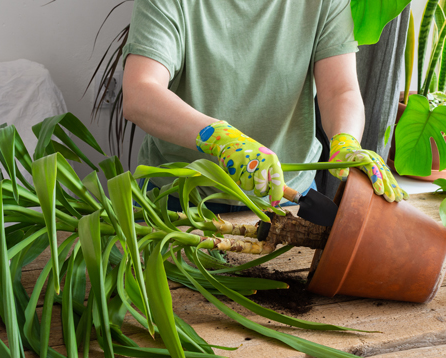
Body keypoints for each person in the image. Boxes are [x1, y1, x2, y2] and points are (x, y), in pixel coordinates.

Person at [121, 0, 408, 213]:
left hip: (289, 201)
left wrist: (345, 139)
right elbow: (140, 92)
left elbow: (340, 90)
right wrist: (218, 138)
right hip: (177, 202)